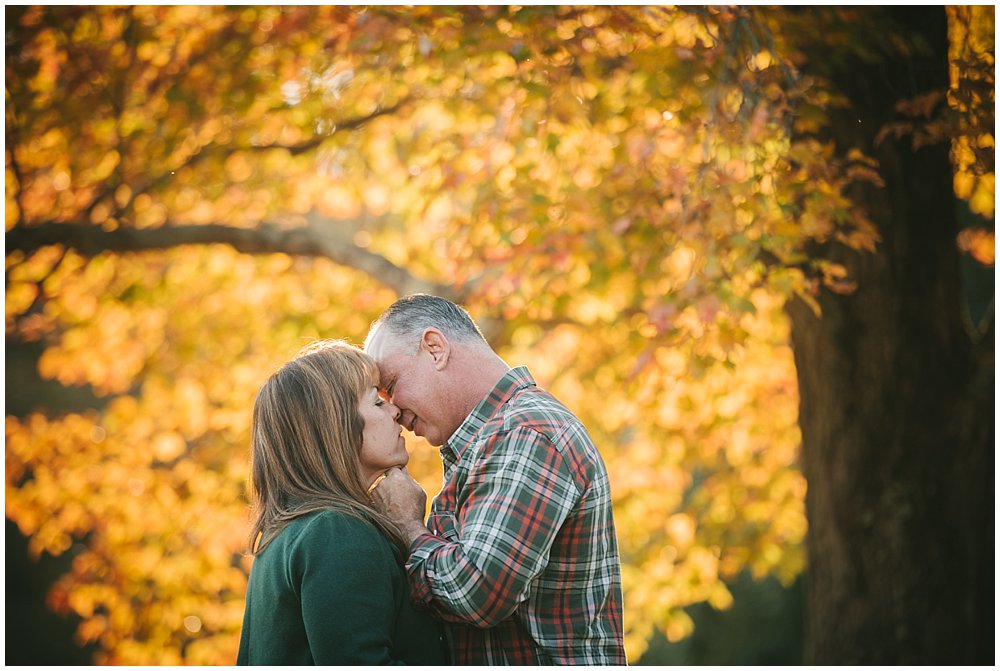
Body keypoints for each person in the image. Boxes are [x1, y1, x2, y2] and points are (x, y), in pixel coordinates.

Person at [364, 294, 627, 665]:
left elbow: (478, 593)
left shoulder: (527, 431)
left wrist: (409, 527)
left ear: (435, 348)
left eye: (391, 384)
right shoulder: (490, 441)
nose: (391, 411)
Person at [236, 340, 449, 665]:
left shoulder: (289, 534)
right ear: (335, 426)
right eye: (377, 402)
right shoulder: (336, 533)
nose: (395, 410)